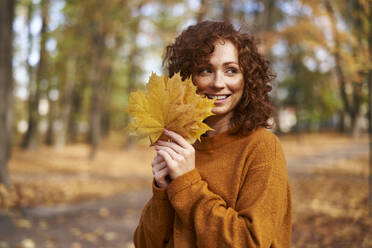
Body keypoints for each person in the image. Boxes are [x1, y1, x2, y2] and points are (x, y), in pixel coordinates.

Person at [133, 20, 292, 248]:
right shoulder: (183, 144)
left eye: (231, 70)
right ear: (188, 78)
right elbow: (145, 244)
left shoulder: (263, 147)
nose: (218, 83)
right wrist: (163, 189)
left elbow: (250, 242)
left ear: (246, 79)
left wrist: (187, 183)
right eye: (205, 70)